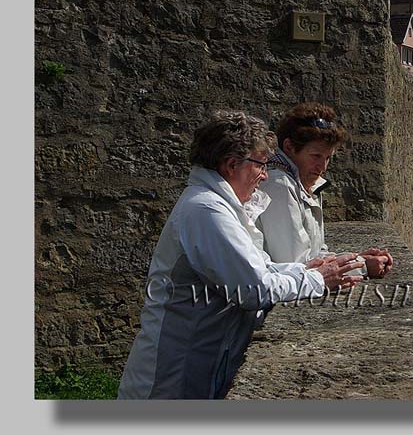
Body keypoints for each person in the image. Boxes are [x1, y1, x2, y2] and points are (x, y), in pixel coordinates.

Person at [118, 111, 364, 399]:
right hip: (171, 374)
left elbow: (262, 266)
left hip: (199, 363)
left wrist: (307, 271)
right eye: (260, 165)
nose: (264, 174)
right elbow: (253, 288)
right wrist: (317, 280)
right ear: (232, 164)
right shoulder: (206, 211)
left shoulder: (221, 206)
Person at [257, 102, 394, 277]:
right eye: (316, 156)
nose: (322, 167)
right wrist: (363, 266)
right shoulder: (278, 185)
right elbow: (295, 265)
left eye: (328, 158)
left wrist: (356, 259)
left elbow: (316, 254)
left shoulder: (305, 182)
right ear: (289, 147)